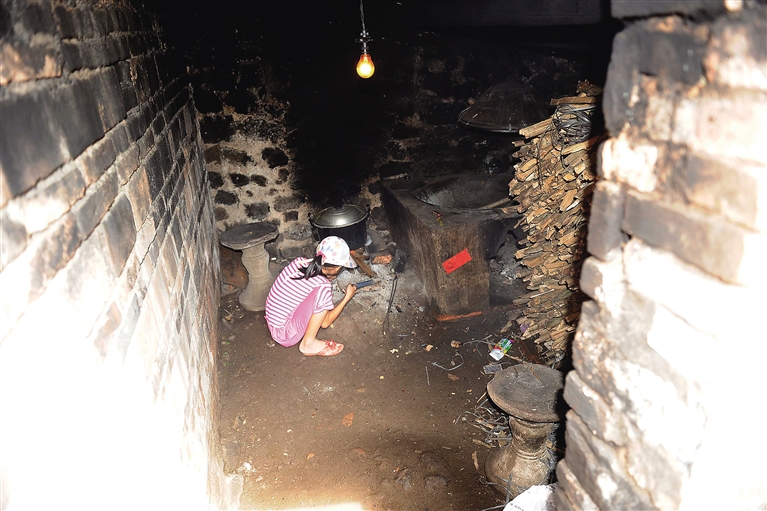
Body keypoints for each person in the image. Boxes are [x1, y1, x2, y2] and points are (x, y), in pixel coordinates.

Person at [264, 236, 358, 356]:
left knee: (319, 293)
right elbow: (325, 322)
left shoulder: (299, 262)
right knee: (322, 292)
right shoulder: (323, 286)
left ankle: (307, 342)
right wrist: (347, 297)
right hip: (284, 334)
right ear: (336, 268)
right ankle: (308, 344)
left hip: (273, 322)